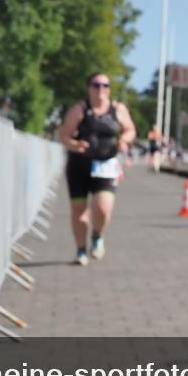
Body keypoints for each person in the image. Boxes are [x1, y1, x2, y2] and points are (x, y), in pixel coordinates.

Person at [56, 73, 136, 266]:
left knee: (103, 207)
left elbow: (130, 130)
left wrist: (124, 140)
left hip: (106, 165)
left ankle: (97, 235)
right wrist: (75, 145)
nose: (101, 89)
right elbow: (63, 135)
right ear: (89, 87)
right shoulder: (80, 109)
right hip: (79, 165)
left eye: (105, 85)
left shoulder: (118, 109)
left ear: (109, 89)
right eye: (96, 85)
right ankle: (80, 250)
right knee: (79, 209)